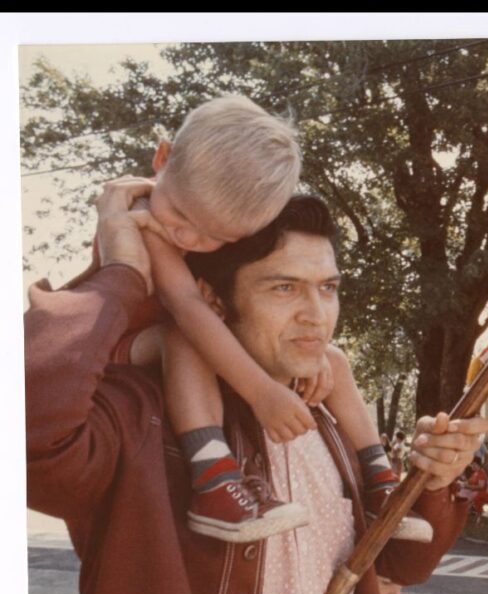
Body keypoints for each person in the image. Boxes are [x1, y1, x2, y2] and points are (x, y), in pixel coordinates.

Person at [25, 188, 488, 594]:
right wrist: (123, 274)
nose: (316, 315)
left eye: (328, 288)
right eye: (284, 288)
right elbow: (30, 440)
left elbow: (406, 563)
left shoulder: (328, 415)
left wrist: (432, 481)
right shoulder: (142, 412)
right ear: (213, 300)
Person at [103, 94, 397, 545]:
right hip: (121, 344)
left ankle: (378, 476)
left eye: (216, 237)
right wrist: (262, 392)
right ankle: (215, 478)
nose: (187, 237)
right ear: (162, 157)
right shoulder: (143, 218)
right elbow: (189, 309)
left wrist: (306, 354)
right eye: (182, 216)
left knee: (333, 359)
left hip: (182, 335)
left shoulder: (190, 207)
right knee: (184, 337)